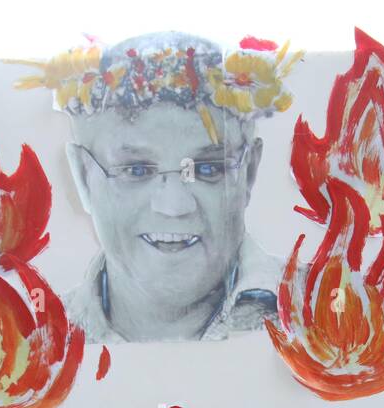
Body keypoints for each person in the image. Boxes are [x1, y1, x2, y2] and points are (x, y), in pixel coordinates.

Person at [19, 32, 293, 342]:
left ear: (250, 171)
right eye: (136, 170)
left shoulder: (330, 312)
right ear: (83, 178)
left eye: (207, 169)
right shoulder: (28, 342)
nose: (174, 205)